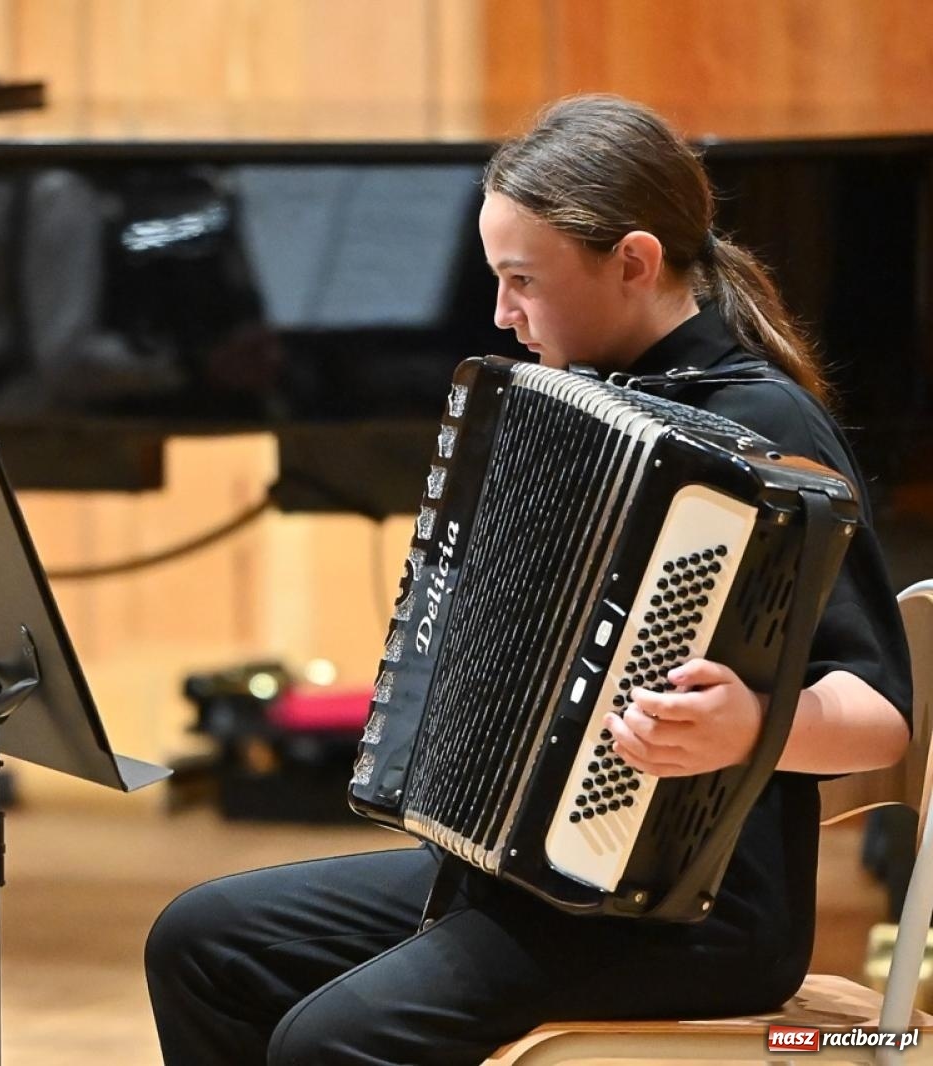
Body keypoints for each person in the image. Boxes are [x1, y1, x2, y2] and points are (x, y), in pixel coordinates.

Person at [144, 94, 914, 1066]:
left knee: (331, 1040)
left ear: (632, 261)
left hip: (695, 910)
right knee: (204, 940)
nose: (503, 313)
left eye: (521, 281)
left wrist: (748, 725)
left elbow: (880, 713)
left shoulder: (769, 430)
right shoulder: (568, 399)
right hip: (527, 872)